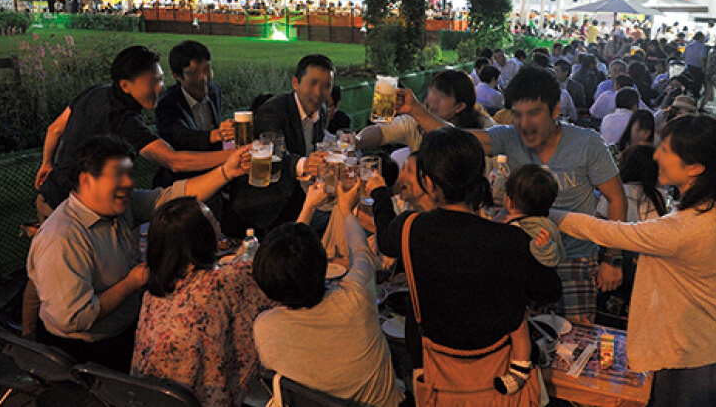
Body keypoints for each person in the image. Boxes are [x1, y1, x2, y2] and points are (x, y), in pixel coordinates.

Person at [397, 67, 626, 323]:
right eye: (517, 115)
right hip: (522, 258)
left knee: (576, 339)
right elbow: (458, 139)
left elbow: (616, 198)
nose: (524, 124)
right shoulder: (508, 137)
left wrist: (612, 258)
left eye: (533, 114)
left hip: (574, 260)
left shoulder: (587, 143)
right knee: (525, 337)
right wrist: (415, 109)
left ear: (554, 111)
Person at [551, 115, 716, 407]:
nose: (656, 155)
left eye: (666, 151)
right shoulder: (715, 206)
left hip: (697, 363)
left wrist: (546, 211)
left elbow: (608, 230)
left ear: (694, 167)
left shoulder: (686, 227)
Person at [27, 135, 249, 372]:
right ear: (87, 180)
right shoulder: (62, 238)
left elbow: (169, 197)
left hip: (125, 333)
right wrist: (130, 284)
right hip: (85, 357)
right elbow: (73, 319)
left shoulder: (117, 205)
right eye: (119, 176)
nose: (129, 184)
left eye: (130, 175)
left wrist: (226, 172)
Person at [371, 128, 561, 401]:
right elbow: (549, 291)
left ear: (430, 183)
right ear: (480, 178)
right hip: (500, 379)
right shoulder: (510, 239)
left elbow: (385, 236)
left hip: (437, 378)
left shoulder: (409, 229)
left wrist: (378, 192)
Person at [252, 179, 403, 407]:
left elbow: (283, 267)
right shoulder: (356, 297)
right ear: (324, 265)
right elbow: (360, 251)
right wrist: (345, 210)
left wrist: (308, 207)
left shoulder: (264, 327)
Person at [35, 46, 232, 218]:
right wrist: (232, 156)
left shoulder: (96, 91)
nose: (159, 88)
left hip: (50, 196)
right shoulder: (123, 121)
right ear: (125, 86)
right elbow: (174, 161)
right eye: (151, 82)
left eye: (161, 80)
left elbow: (55, 128)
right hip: (69, 210)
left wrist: (47, 164)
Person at [132, 198, 273, 407]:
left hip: (148, 398)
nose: (218, 224)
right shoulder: (219, 283)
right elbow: (280, 269)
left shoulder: (153, 293)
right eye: (213, 220)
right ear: (200, 237)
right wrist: (308, 208)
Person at [226, 54, 334, 239]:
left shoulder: (320, 110)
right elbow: (273, 156)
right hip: (267, 205)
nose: (318, 92)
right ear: (295, 83)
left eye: (326, 86)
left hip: (300, 195)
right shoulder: (273, 111)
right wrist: (305, 164)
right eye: (313, 83)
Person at [494, 164, 564, 395]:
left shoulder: (515, 233)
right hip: (536, 308)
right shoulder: (546, 227)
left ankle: (519, 373)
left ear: (509, 200)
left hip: (514, 310)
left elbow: (546, 260)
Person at [154, 41, 234, 190]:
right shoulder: (167, 104)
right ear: (177, 76)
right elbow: (180, 136)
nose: (203, 78)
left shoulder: (214, 91)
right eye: (194, 72)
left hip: (216, 174)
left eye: (207, 69)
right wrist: (215, 135)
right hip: (182, 182)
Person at [357, 69, 495, 153]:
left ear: (460, 107)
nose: (432, 100)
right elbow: (381, 132)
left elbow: (458, 141)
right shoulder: (415, 120)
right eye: (432, 93)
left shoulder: (485, 128)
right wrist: (357, 140)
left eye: (442, 96)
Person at [698, 36, 716, 114]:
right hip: (715, 75)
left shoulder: (711, 51)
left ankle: (701, 107)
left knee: (708, 92)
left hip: (709, 73)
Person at [682, 32, 707, 99]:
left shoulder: (688, 45)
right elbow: (702, 58)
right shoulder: (701, 46)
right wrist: (703, 68)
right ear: (700, 38)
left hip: (688, 68)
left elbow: (683, 56)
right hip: (697, 69)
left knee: (688, 86)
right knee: (696, 87)